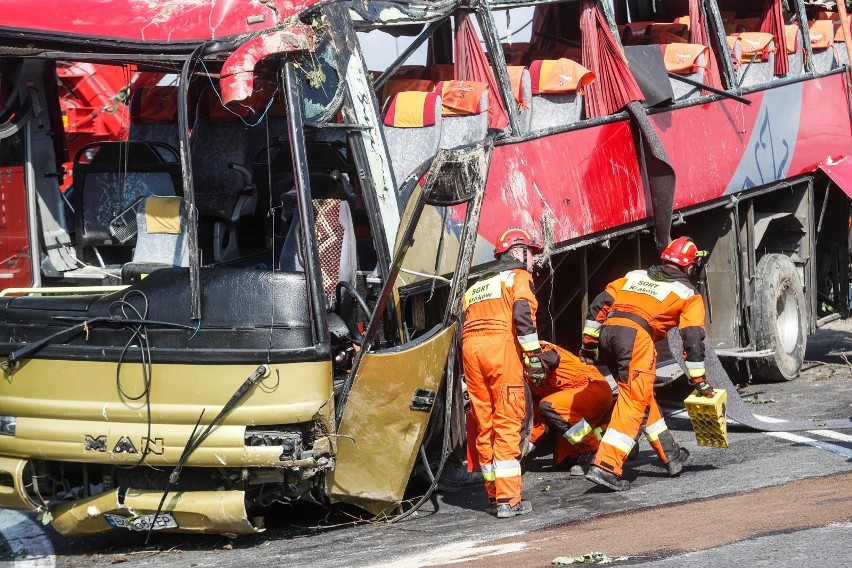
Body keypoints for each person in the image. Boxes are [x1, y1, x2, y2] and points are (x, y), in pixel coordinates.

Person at [579, 236, 714, 491]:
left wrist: (588, 344)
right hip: (636, 339)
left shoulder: (634, 276)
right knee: (634, 401)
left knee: (640, 395)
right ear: (689, 268)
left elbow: (598, 306)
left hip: (609, 334)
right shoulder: (688, 295)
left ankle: (671, 455)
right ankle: (607, 466)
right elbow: (693, 338)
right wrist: (699, 380)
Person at [462, 227, 551, 518]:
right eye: (532, 254)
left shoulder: (476, 286)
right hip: (499, 349)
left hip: (471, 350)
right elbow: (523, 314)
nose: (534, 260)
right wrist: (534, 355)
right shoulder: (518, 277)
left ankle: (493, 495)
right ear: (517, 253)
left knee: (484, 421)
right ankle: (508, 500)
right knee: (507, 420)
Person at [525, 341, 614, 475]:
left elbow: (552, 358)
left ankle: (591, 450)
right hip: (571, 403)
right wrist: (520, 452)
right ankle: (611, 440)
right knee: (563, 461)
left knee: (549, 406)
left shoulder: (531, 349)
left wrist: (537, 362)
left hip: (591, 388)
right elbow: (538, 421)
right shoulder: (522, 375)